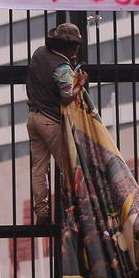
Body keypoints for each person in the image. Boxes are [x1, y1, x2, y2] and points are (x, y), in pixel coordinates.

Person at [25, 22, 88, 223]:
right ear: (68, 47)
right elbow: (67, 97)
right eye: (75, 46)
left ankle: (42, 212)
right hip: (50, 122)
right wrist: (80, 83)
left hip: (33, 118)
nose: (76, 50)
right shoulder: (61, 66)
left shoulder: (39, 53)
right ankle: (73, 211)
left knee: (39, 168)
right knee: (69, 167)